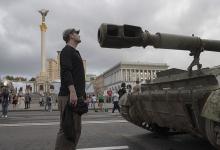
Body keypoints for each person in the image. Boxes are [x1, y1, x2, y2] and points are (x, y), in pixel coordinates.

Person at [55, 27, 85, 150]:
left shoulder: (74, 52)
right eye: (76, 33)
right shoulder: (67, 50)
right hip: (68, 96)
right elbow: (66, 72)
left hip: (75, 95)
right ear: (71, 36)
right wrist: (72, 92)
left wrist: (82, 95)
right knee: (67, 129)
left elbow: (77, 75)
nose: (78, 35)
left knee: (75, 128)